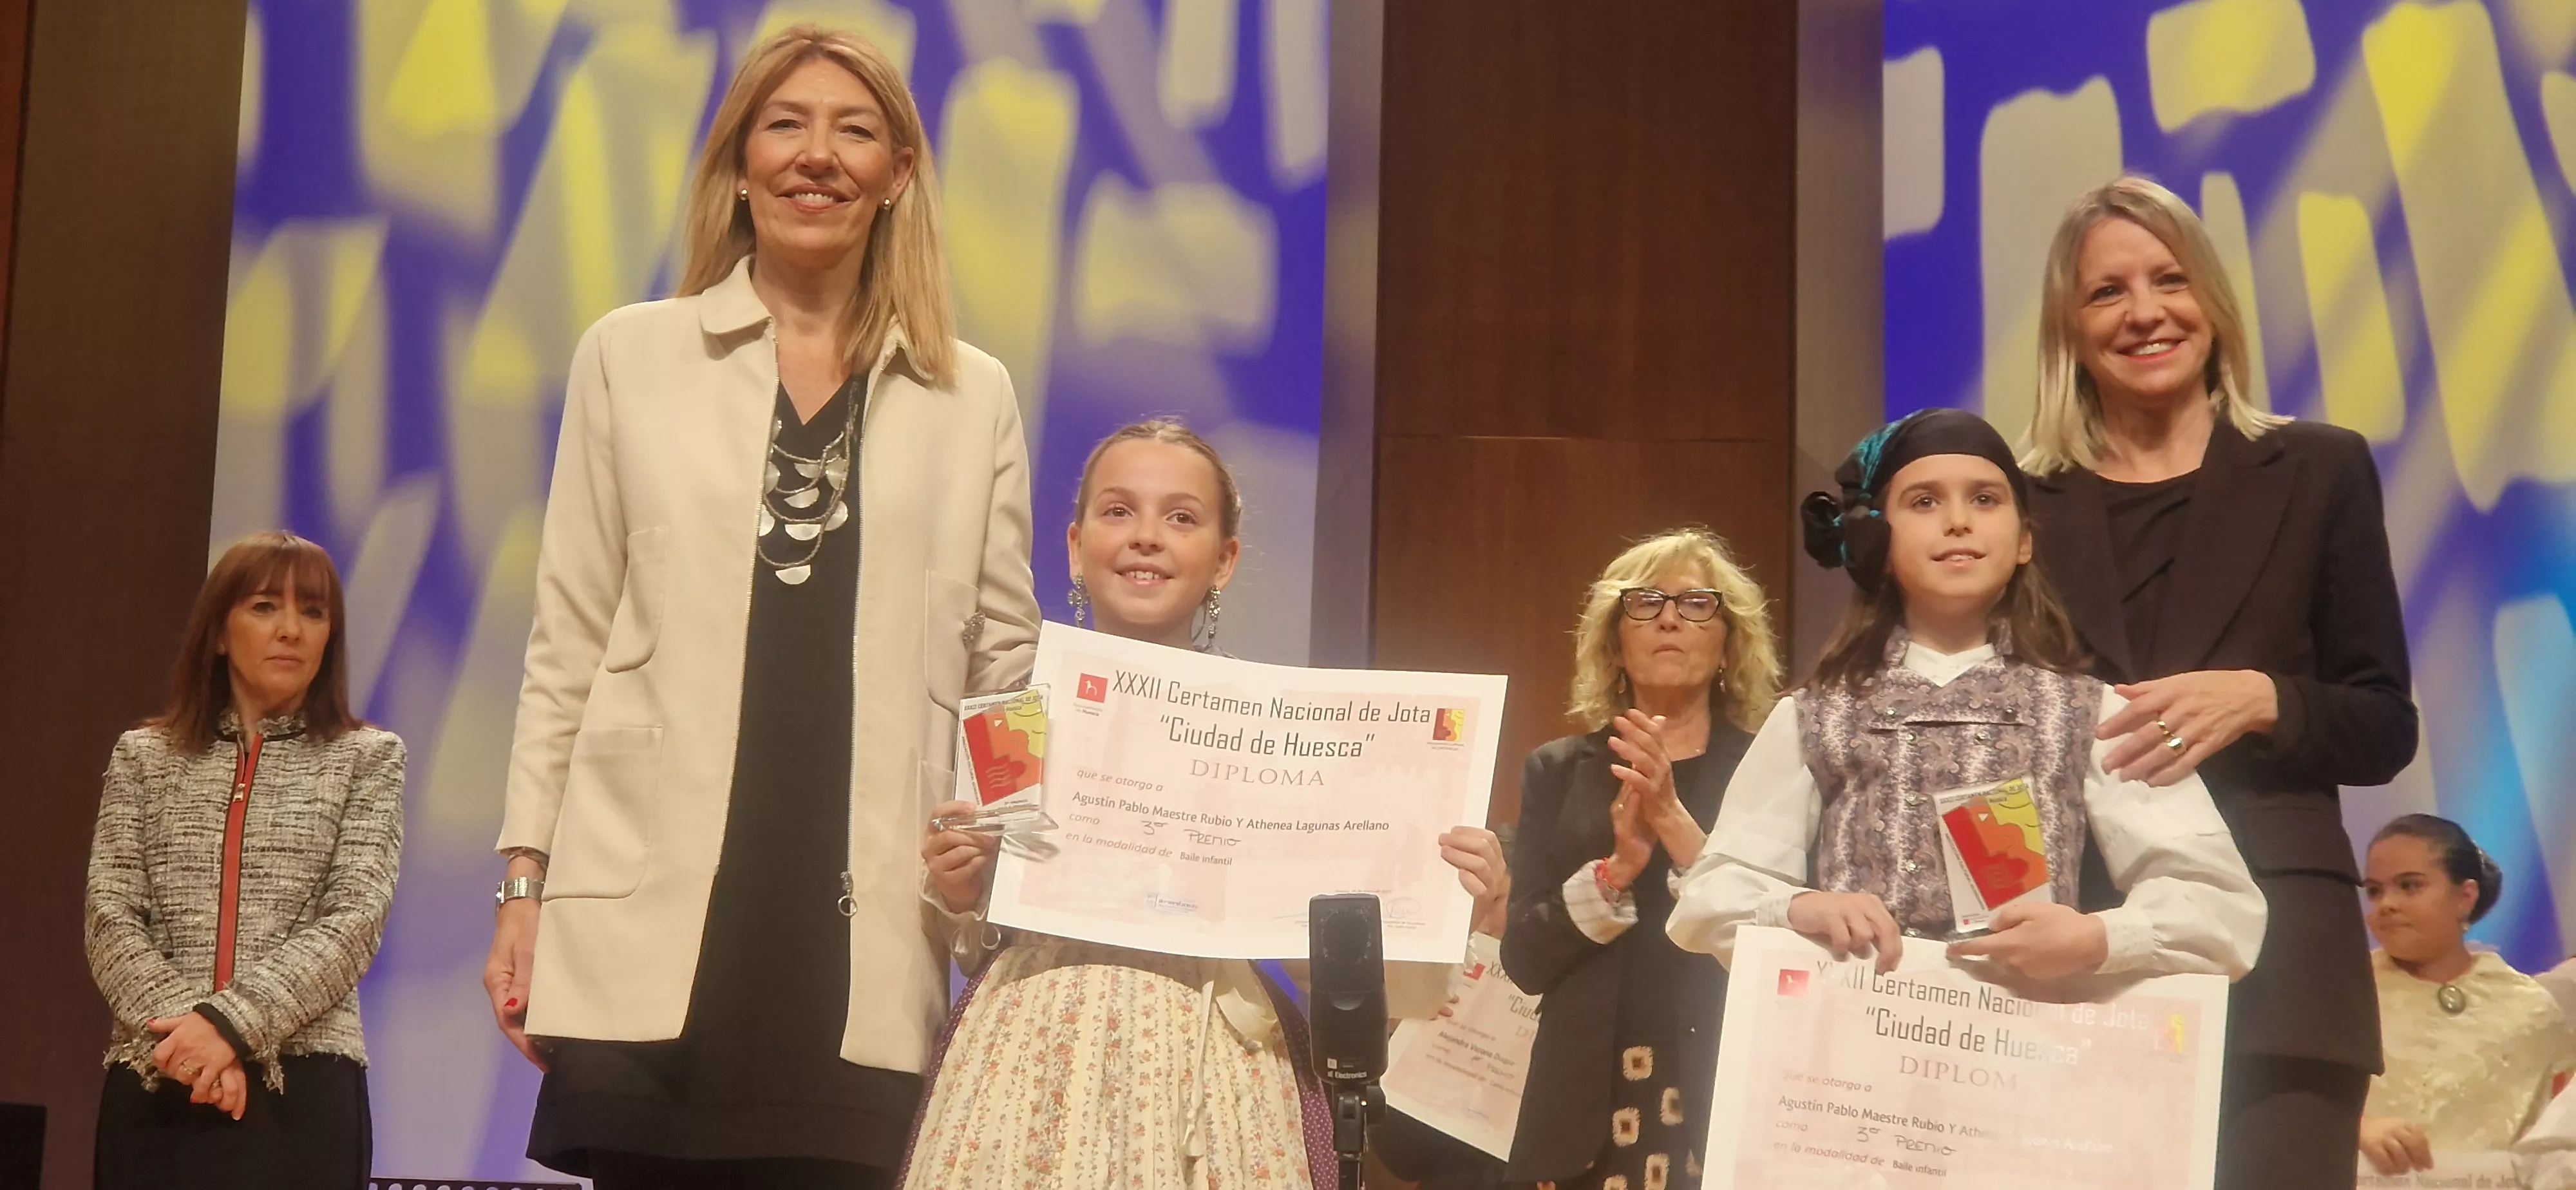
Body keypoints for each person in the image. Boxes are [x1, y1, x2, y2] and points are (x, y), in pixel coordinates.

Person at [482, 25, 1040, 1189]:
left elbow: (1008, 665)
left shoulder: (970, 394)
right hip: (652, 919)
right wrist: (524, 887)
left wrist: (1001, 856)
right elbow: (569, 636)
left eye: (855, 130)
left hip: (864, 943)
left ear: (897, 176)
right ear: (739, 162)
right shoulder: (627, 357)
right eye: (786, 125)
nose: (817, 156)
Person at [905, 419, 1506, 1189]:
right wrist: (962, 886)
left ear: (1223, 561)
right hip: (1039, 1044)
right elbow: (979, 932)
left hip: (1220, 1053)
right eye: (1118, 511)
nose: (1146, 537)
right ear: (1074, 545)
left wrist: (1447, 900)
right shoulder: (1016, 712)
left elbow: (1326, 959)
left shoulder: (1275, 728)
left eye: (1181, 517)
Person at [2018, 176, 2417, 1189]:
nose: (2145, 312)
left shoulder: (2321, 469)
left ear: (2214, 302)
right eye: (2108, 292)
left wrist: (2265, 698)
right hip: (2079, 945)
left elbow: (2382, 723)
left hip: (2280, 960)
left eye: (2169, 280)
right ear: (2070, 323)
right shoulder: (2018, 502)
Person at [1669, 409, 2265, 987]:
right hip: (1852, 1056)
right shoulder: (1817, 713)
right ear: (1877, 536)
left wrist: (2099, 938)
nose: (1958, 521)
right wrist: (1799, 908)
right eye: (1925, 501)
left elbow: (2219, 905)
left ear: (2025, 540)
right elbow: (1713, 894)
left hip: (2023, 1051)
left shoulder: (2088, 710)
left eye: (1985, 499)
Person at [85, 531, 404, 1189]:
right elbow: (111, 916)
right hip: (158, 1071)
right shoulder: (144, 756)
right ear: (221, 632)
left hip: (304, 1089)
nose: (291, 629)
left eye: (312, 613)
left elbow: (354, 919)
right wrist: (193, 1042)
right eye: (265, 607)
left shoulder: (368, 758)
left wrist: (230, 1025)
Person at [1498, 528, 1781, 1190]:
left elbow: (1781, 945)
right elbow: (1523, 960)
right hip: (1582, 1115)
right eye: (1645, 603)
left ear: (1727, 644)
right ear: (1615, 644)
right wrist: (1615, 873)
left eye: (1695, 605)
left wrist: (1674, 826)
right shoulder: (1558, 771)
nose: (1670, 619)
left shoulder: (1770, 770)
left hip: (1721, 1099)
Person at [2356, 815, 2575, 1174]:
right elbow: (2288, 1096)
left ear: (2465, 896)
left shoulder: (2531, 1009)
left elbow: (2557, 1144)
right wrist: (2357, 1126)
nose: (2386, 904)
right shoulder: (2346, 990)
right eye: (2375, 891)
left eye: (2409, 886)